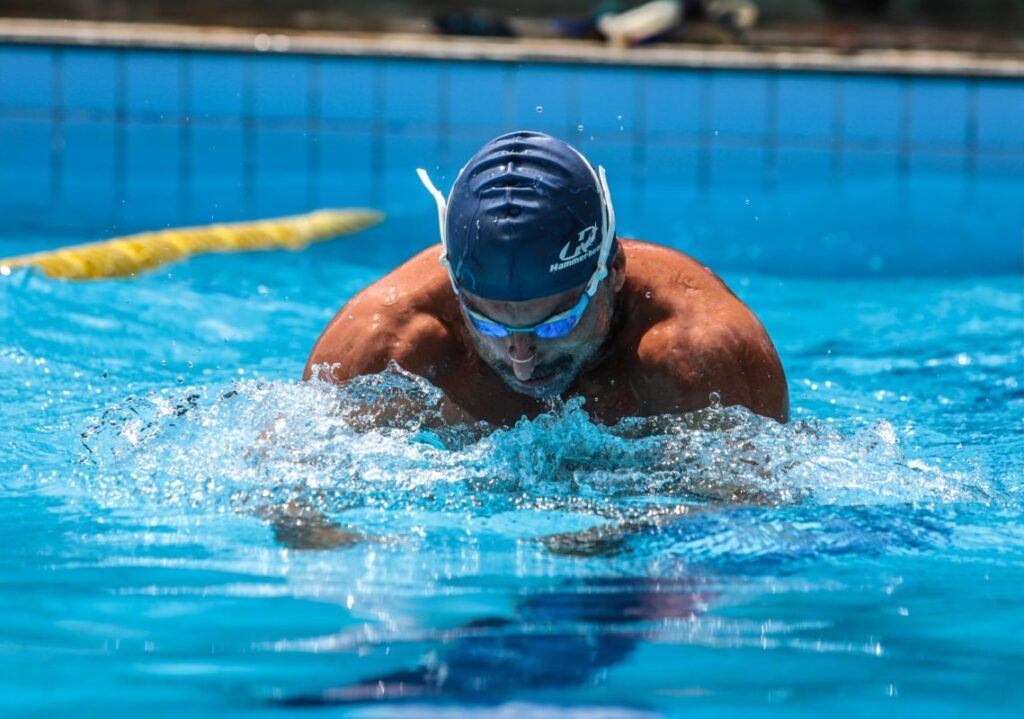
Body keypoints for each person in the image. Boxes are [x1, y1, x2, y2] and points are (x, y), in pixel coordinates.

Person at [304, 131, 788, 426]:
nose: (521, 360)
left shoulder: (695, 353)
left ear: (613, 271)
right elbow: (294, 513)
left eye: (553, 324)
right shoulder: (387, 346)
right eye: (490, 326)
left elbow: (742, 532)